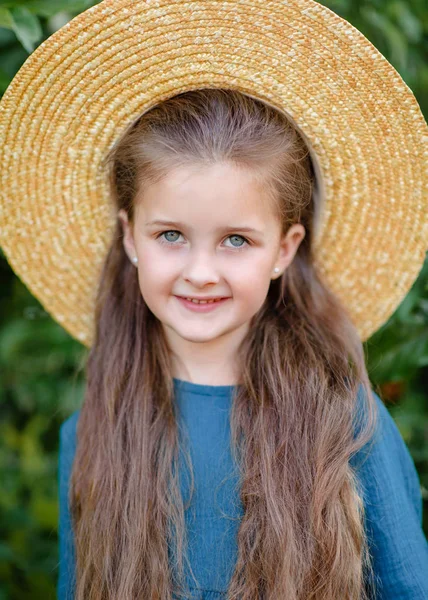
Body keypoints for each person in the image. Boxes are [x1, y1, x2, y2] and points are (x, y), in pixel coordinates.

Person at [0, 1, 427, 599]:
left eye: (236, 240)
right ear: (130, 237)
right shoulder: (93, 429)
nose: (201, 272)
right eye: (170, 234)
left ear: (284, 248)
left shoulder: (345, 421)